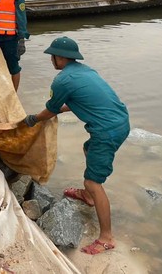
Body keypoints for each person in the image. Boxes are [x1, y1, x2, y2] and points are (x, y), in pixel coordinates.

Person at [24, 37, 130, 255]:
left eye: (52, 55)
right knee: (87, 148)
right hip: (120, 122)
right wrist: (62, 109)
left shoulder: (62, 81)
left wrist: (33, 119)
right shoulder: (87, 71)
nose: (51, 59)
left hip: (106, 132)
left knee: (93, 182)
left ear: (60, 57)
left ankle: (106, 237)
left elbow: (50, 111)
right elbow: (85, 99)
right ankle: (88, 197)